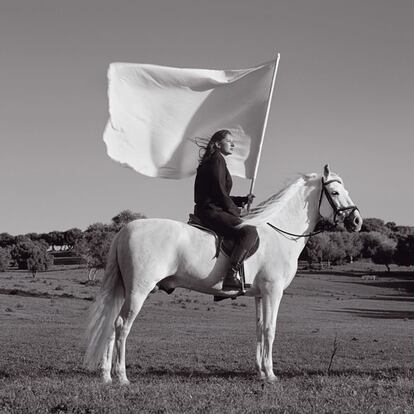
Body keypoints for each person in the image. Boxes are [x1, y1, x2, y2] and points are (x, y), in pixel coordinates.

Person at [193, 129, 258, 290]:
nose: (233, 144)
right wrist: (237, 212)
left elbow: (219, 193)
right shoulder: (217, 160)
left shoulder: (215, 160)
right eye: (229, 141)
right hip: (211, 211)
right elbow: (220, 193)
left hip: (211, 208)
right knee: (250, 232)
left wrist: (242, 200)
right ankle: (231, 274)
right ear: (217, 144)